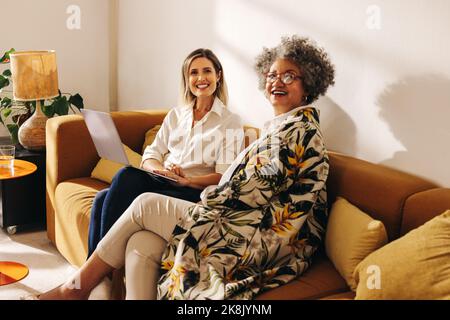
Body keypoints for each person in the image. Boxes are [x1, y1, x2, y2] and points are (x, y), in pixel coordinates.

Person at [38, 35, 335, 300]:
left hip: (235, 222)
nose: (276, 82)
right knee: (136, 233)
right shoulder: (278, 127)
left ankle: (77, 288)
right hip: (207, 201)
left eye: (289, 76)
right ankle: (100, 285)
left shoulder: (296, 131)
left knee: (139, 198)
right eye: (272, 75)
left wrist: (197, 187)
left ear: (308, 83)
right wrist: (158, 168)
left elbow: (248, 190)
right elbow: (249, 182)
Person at [86, 48, 244, 257]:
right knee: (101, 198)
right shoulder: (177, 115)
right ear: (187, 79)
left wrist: (186, 180)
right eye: (193, 73)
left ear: (218, 75)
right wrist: (163, 171)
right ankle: (100, 276)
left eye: (207, 71)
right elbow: (151, 156)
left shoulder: (230, 121)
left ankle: (95, 270)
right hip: (164, 180)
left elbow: (224, 176)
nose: (200, 78)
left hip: (192, 191)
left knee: (124, 177)